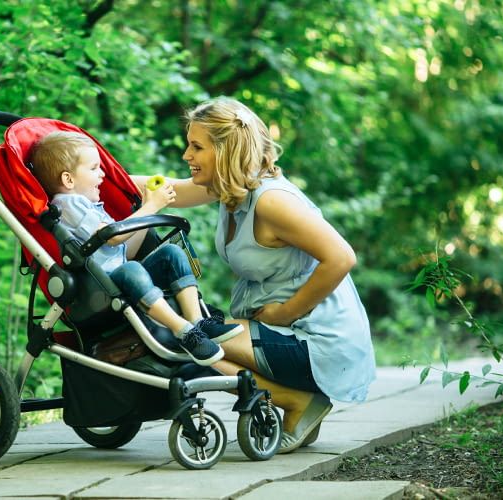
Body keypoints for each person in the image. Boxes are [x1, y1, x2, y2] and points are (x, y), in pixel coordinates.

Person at [132, 97, 376, 453]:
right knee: (193, 336)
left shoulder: (270, 201)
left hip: (319, 341)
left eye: (196, 147)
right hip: (289, 334)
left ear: (227, 151)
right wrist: (90, 172)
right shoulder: (229, 189)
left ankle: (297, 403)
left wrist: (286, 312)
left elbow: (341, 257)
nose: (186, 155)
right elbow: (162, 188)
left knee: (190, 339)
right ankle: (297, 403)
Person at [28, 131, 243, 366]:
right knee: (132, 269)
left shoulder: (88, 206)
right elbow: (112, 237)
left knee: (171, 253)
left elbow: (124, 249)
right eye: (93, 169)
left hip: (120, 275)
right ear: (68, 180)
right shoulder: (67, 204)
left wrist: (143, 209)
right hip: (99, 288)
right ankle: (183, 331)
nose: (102, 175)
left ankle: (197, 321)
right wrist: (150, 208)